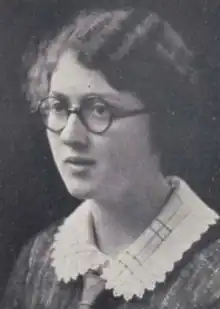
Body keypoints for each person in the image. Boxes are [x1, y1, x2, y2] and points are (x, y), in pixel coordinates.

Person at [1, 6, 220, 309]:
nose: (70, 135)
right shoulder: (38, 259)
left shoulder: (211, 280)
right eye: (58, 106)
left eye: (99, 109)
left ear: (162, 120)